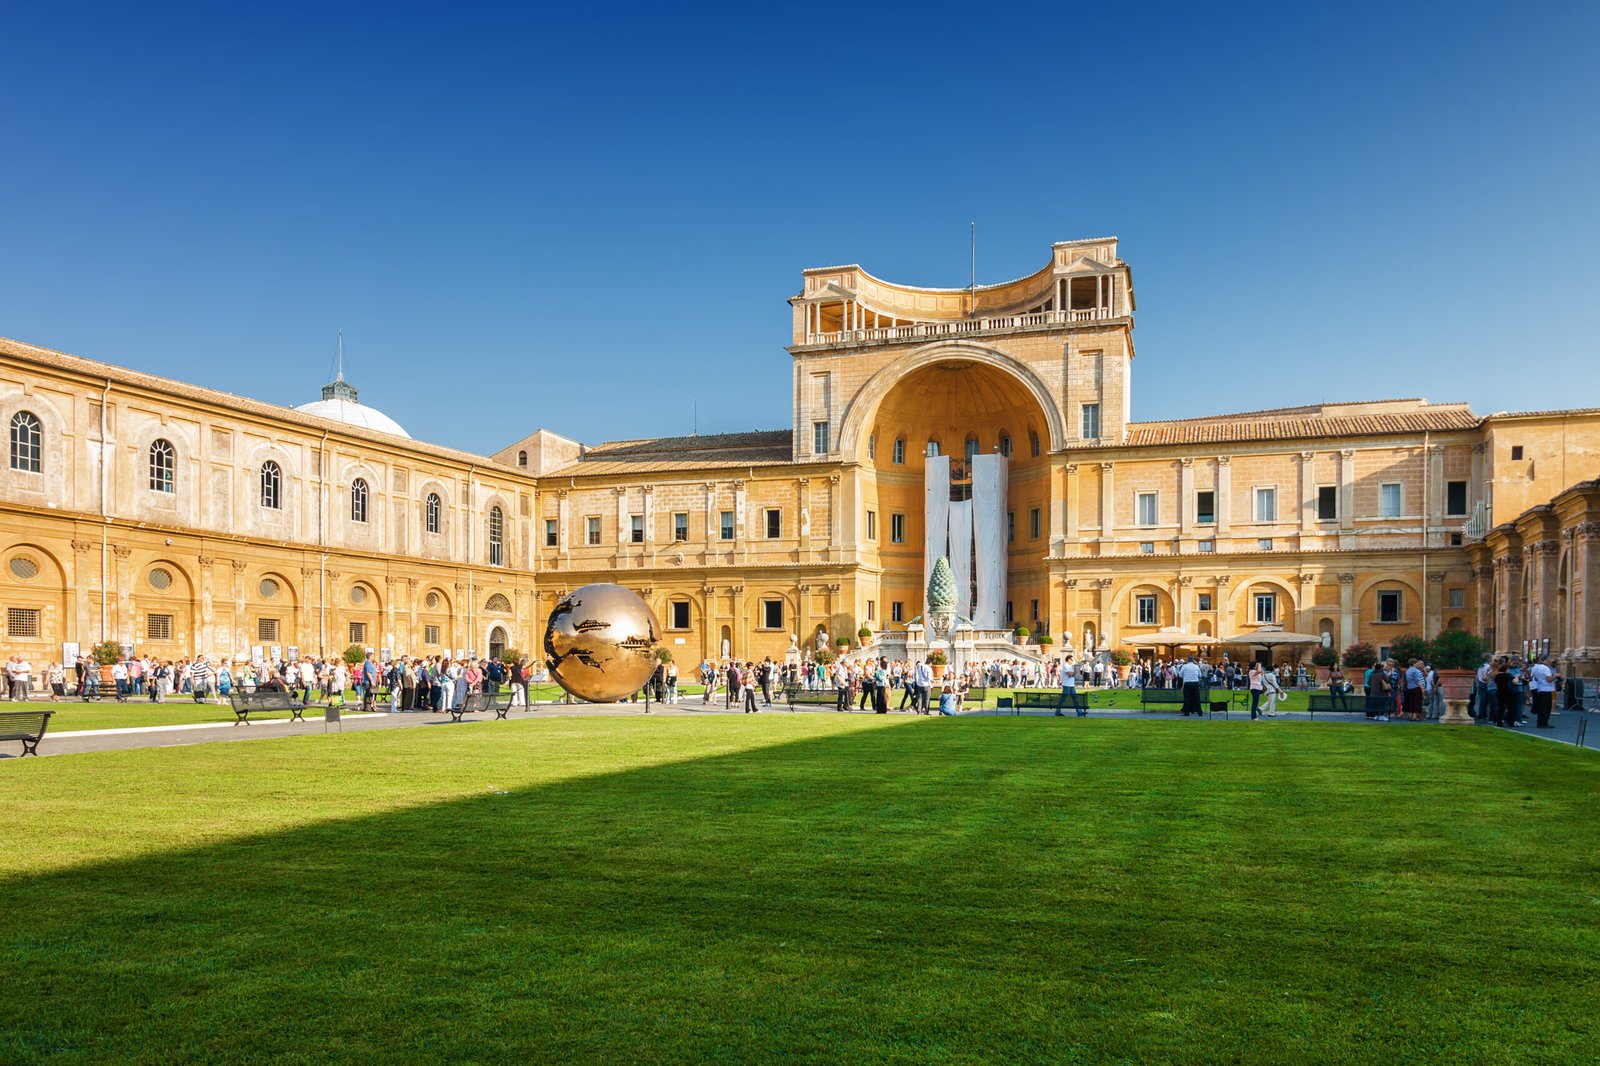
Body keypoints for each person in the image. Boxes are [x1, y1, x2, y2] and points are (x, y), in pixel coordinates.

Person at [1529, 655, 1558, 729]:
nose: (1549, 662)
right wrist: (1555, 676)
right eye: (1549, 660)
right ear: (1545, 660)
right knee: (1546, 707)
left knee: (1541, 707)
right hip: (1546, 688)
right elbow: (1549, 679)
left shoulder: (1535, 667)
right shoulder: (1545, 668)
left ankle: (1540, 722)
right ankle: (1544, 722)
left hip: (1539, 687)